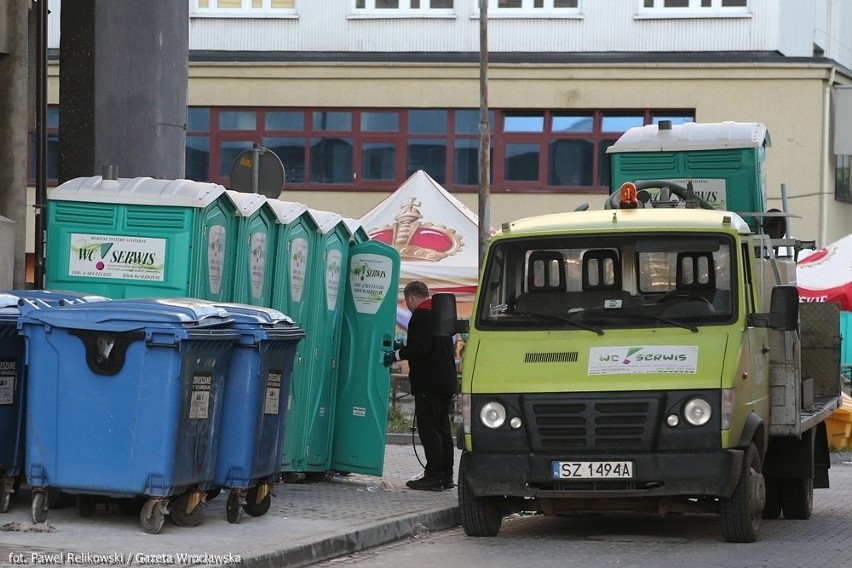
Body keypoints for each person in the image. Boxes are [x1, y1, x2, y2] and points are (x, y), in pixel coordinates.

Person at [384, 280, 457, 491]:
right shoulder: (439, 313)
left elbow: (421, 348)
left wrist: (397, 354)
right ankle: (446, 476)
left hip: (430, 383)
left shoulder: (420, 316)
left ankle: (433, 476)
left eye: (407, 301)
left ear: (411, 298)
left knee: (429, 430)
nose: (407, 305)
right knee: (443, 429)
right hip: (446, 381)